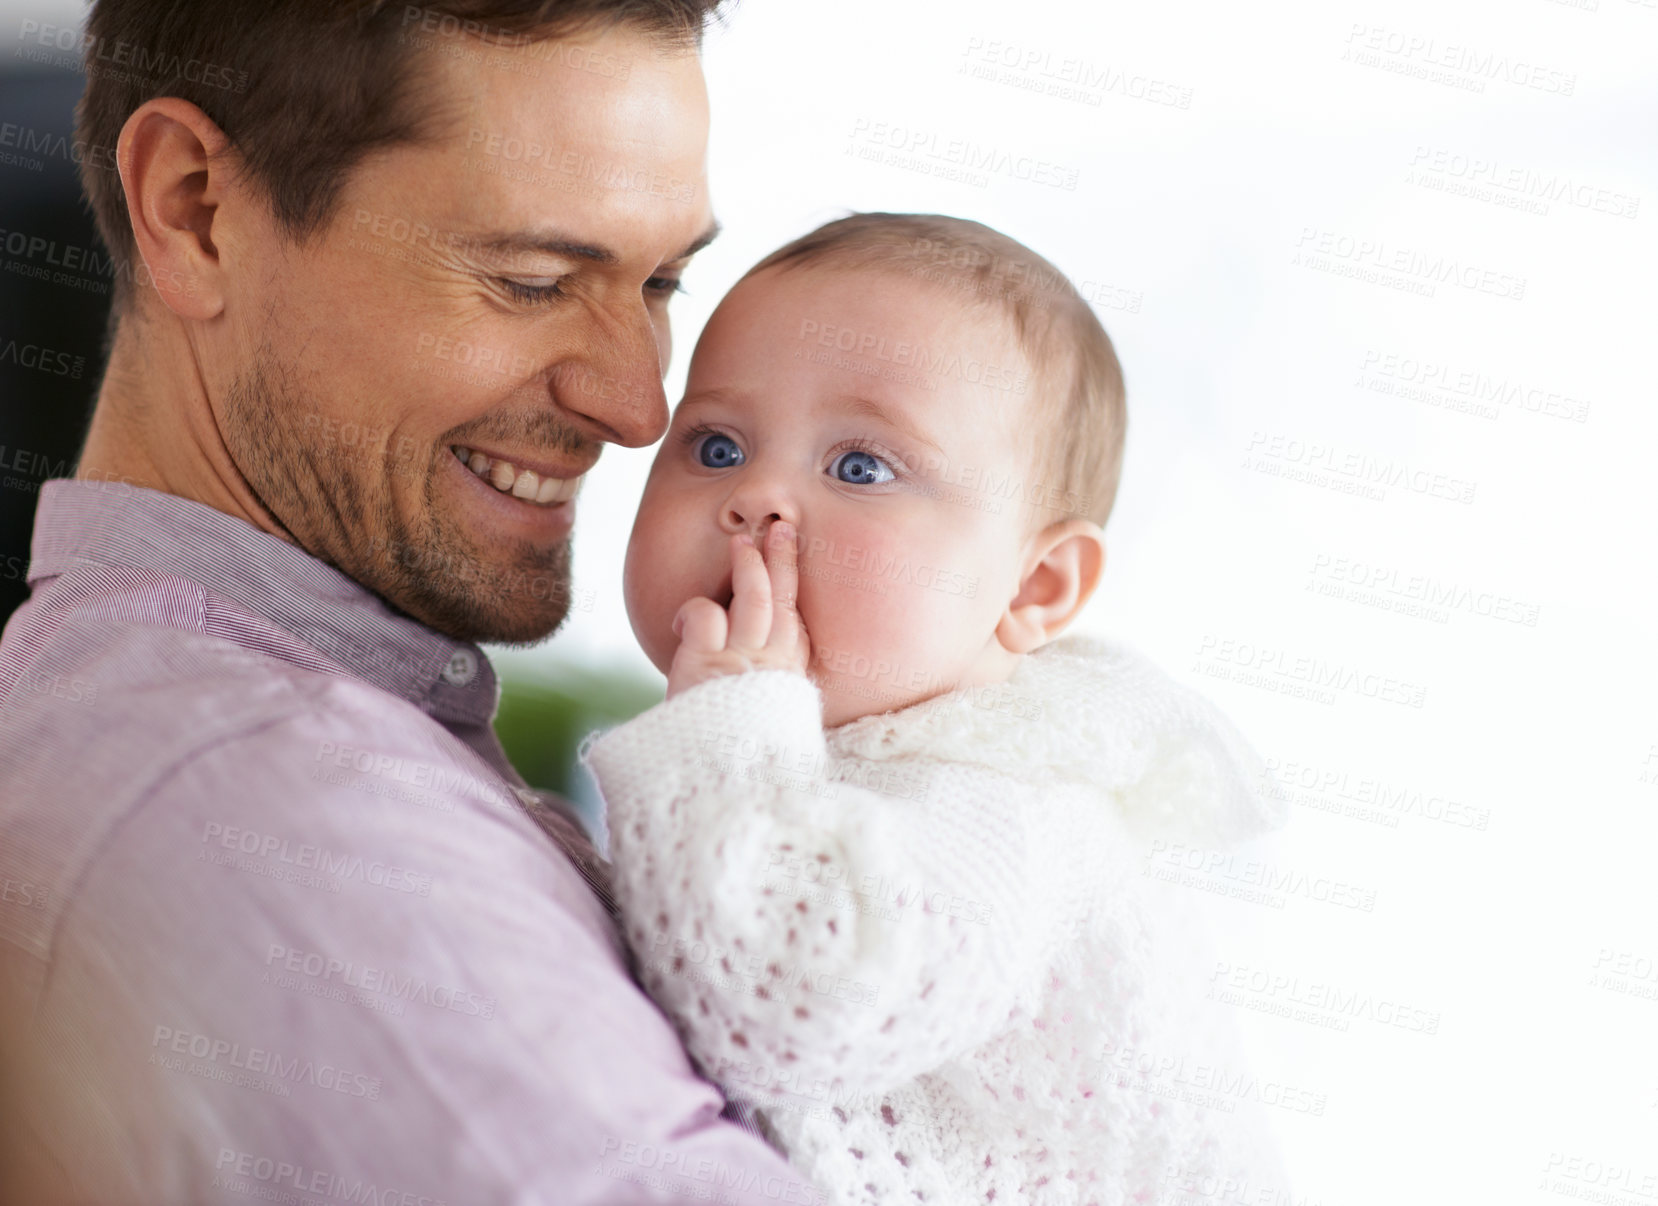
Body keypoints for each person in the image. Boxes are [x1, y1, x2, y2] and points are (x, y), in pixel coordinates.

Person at [0, 3, 822, 1203]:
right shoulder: (287, 801)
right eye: (533, 279)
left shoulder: (175, 726)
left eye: (659, 281)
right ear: (195, 210)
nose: (639, 406)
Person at [580, 213, 1291, 1204]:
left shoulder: (1006, 808)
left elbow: (785, 1006)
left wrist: (735, 720)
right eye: (714, 445)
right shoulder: (815, 749)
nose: (755, 500)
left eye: (859, 467)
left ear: (1032, 588)